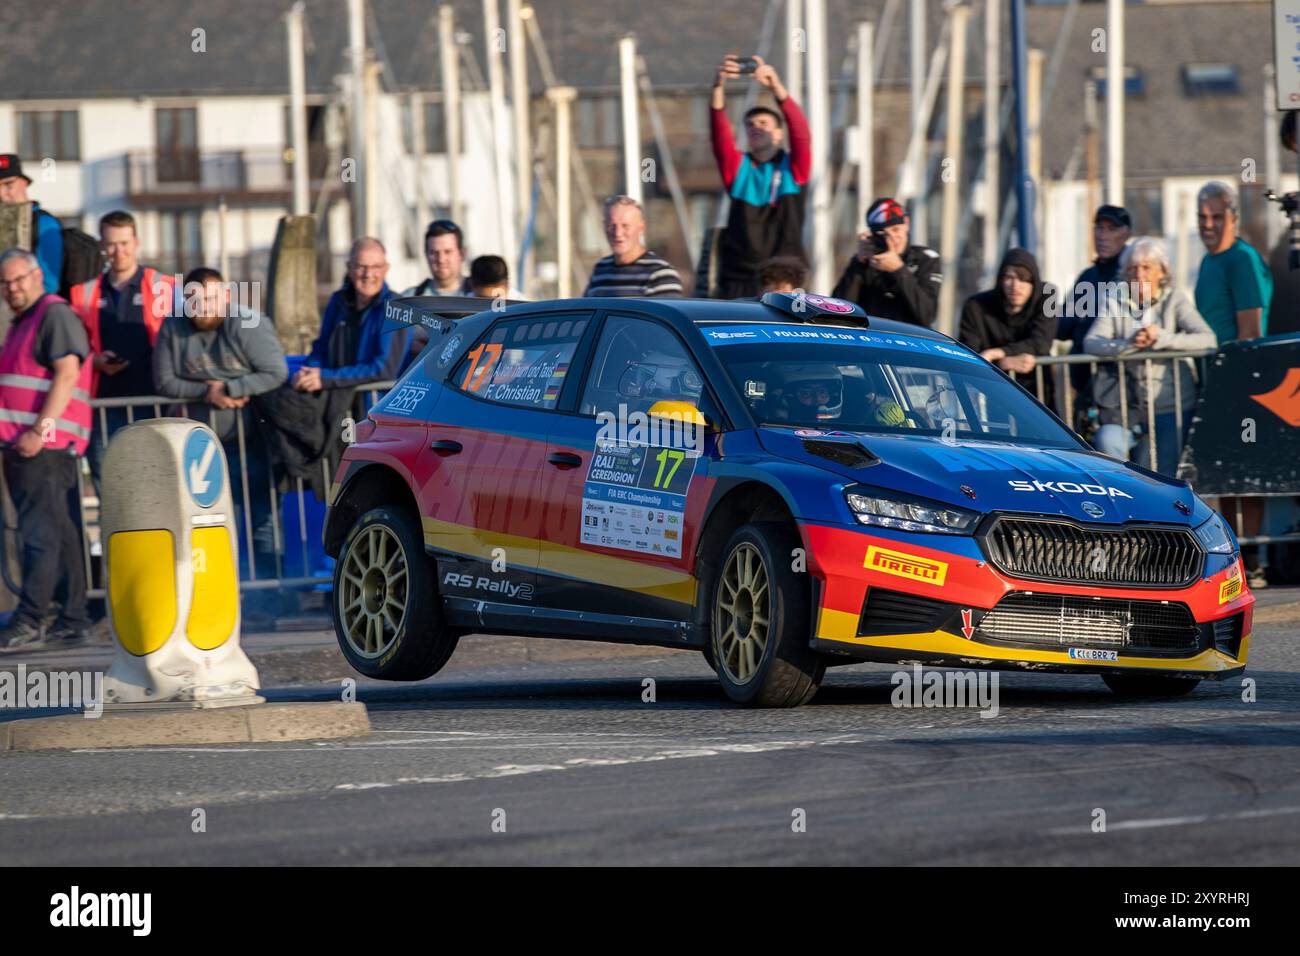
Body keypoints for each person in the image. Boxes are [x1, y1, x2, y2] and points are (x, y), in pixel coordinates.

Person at [153, 267, 288, 602]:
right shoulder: (173, 327)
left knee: (262, 517)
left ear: (226, 297)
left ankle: (271, 599)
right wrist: (208, 392)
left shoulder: (247, 323)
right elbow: (165, 381)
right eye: (194, 301)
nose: (203, 308)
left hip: (252, 437)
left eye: (211, 299)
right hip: (198, 446)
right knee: (206, 520)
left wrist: (231, 386)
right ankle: (218, 597)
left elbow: (276, 371)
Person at [0, 249, 93, 651]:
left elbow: (68, 373)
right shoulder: (24, 321)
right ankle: (73, 617)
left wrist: (41, 430)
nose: (12, 288)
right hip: (31, 446)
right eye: (5, 283)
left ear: (38, 275)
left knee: (40, 535)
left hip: (43, 446)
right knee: (62, 532)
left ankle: (31, 618)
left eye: (19, 279)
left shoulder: (52, 315)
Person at [1193, 181, 1274, 588]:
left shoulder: (1241, 260)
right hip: (1214, 380)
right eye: (1202, 217)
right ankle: (1233, 558)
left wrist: (1241, 389)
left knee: (1246, 471)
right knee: (1224, 476)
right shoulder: (1208, 261)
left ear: (1233, 219)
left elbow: (1251, 329)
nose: (1208, 225)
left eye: (1216, 217)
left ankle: (1255, 559)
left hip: (1242, 381)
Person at [1083, 237, 1216, 477]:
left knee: (1164, 477)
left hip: (1171, 404)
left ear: (1161, 271)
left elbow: (1207, 339)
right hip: (1124, 405)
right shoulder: (1115, 299)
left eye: (1146, 267)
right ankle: (1124, 508)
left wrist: (1162, 338)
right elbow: (1092, 342)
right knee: (1108, 442)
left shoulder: (1174, 298)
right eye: (1133, 268)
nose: (1139, 274)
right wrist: (1128, 345)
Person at [68, 210, 177, 487]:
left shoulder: (163, 286)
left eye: (125, 243)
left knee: (156, 484)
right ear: (102, 245)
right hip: (105, 402)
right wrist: (95, 361)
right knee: (111, 484)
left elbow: (181, 339)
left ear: (136, 242)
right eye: (112, 244)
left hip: (155, 400)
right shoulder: (84, 292)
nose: (119, 251)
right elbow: (74, 345)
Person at [709, 54, 811, 298]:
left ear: (778, 134)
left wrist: (776, 87)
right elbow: (719, 135)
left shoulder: (793, 168)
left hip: (784, 273)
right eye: (750, 124)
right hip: (740, 273)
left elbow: (801, 134)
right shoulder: (739, 167)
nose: (756, 128)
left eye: (764, 123)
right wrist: (718, 86)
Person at [293, 237, 409, 395]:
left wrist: (326, 378)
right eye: (361, 266)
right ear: (349, 268)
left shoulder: (397, 309)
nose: (368, 274)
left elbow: (383, 369)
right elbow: (321, 348)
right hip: (337, 403)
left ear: (386, 269)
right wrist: (308, 373)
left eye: (375, 266)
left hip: (375, 407)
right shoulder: (338, 302)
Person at [959, 248, 1057, 405]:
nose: (1015, 286)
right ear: (1000, 279)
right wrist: (1002, 364)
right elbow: (969, 353)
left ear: (1034, 282)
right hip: (990, 396)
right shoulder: (975, 306)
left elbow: (1041, 342)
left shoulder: (1048, 295)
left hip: (1038, 397)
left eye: (1024, 279)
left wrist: (997, 352)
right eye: (1009, 277)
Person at [1057, 204, 1132, 403]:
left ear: (1126, 233)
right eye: (1099, 227)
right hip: (1083, 384)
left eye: (1111, 228)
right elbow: (1062, 328)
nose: (1103, 236)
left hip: (1119, 384)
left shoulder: (1134, 275)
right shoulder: (1088, 276)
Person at [832, 197, 941, 327]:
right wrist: (858, 264)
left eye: (896, 230)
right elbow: (836, 313)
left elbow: (927, 314)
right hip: (871, 339)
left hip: (910, 342)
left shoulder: (925, 259)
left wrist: (899, 270)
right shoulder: (867, 262)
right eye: (884, 234)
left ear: (906, 224)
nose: (892, 239)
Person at [583, 196, 683, 297]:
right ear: (604, 227)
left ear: (641, 228)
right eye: (612, 226)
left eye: (625, 226)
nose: (618, 233)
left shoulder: (661, 274)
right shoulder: (600, 270)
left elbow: (665, 313)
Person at [0, 154, 62, 294]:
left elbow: (50, 283)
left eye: (9, 185)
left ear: (24, 183)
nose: (2, 194)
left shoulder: (44, 223)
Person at [404, 219, 471, 297]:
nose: (441, 260)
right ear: (426, 255)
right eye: (434, 253)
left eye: (447, 252)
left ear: (462, 254)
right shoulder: (408, 301)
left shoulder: (482, 298)